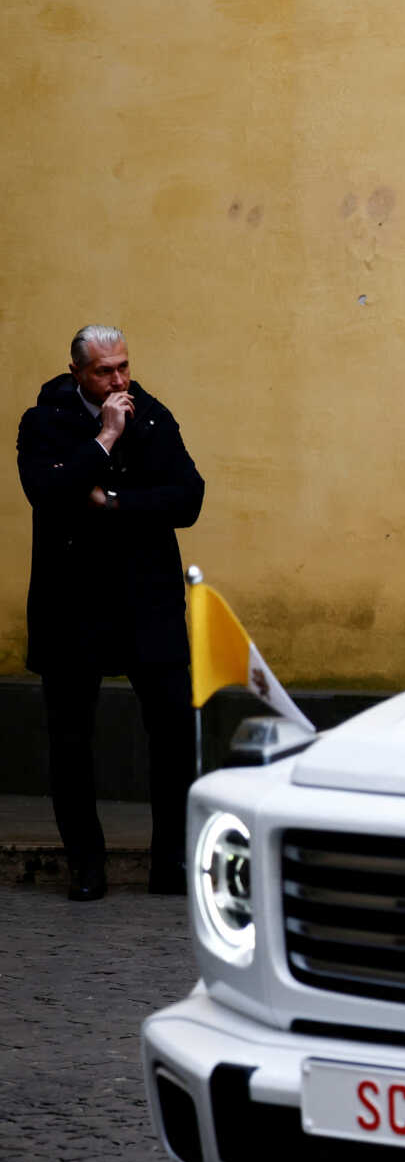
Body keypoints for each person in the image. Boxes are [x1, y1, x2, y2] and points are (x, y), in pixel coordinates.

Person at [16, 325, 205, 901]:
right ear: (76, 371)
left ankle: (169, 863)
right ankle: (86, 865)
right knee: (71, 737)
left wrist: (115, 502)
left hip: (146, 598)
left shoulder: (151, 415)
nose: (119, 380)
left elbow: (189, 498)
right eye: (104, 371)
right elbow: (45, 491)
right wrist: (103, 439)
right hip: (72, 600)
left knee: (172, 728)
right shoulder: (43, 421)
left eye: (123, 366)